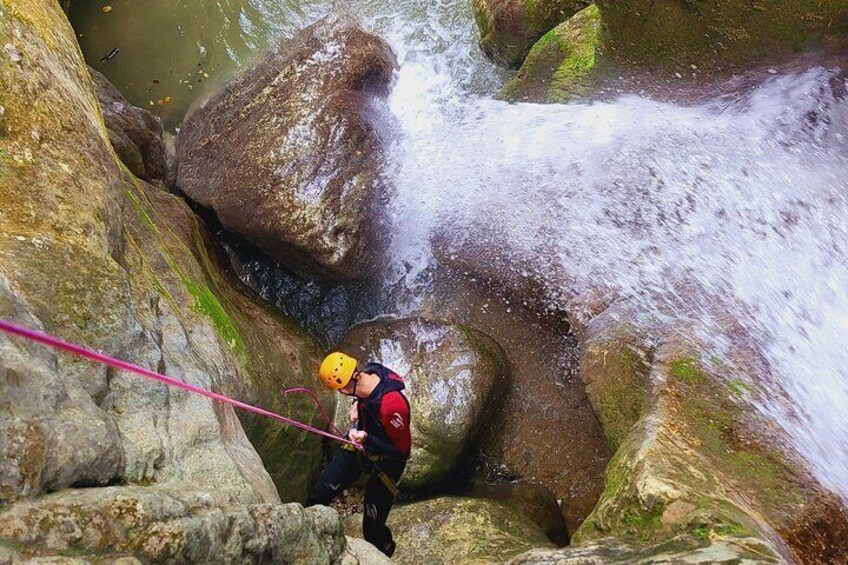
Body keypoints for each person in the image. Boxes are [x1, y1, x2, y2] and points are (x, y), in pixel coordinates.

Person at [306, 352, 411, 557]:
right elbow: (365, 396)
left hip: (387, 463)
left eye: (340, 390)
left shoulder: (391, 405)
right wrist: (357, 406)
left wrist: (366, 438)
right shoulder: (370, 370)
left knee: (373, 532)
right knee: (319, 494)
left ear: (350, 382)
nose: (342, 393)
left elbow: (402, 451)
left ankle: (385, 554)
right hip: (359, 447)